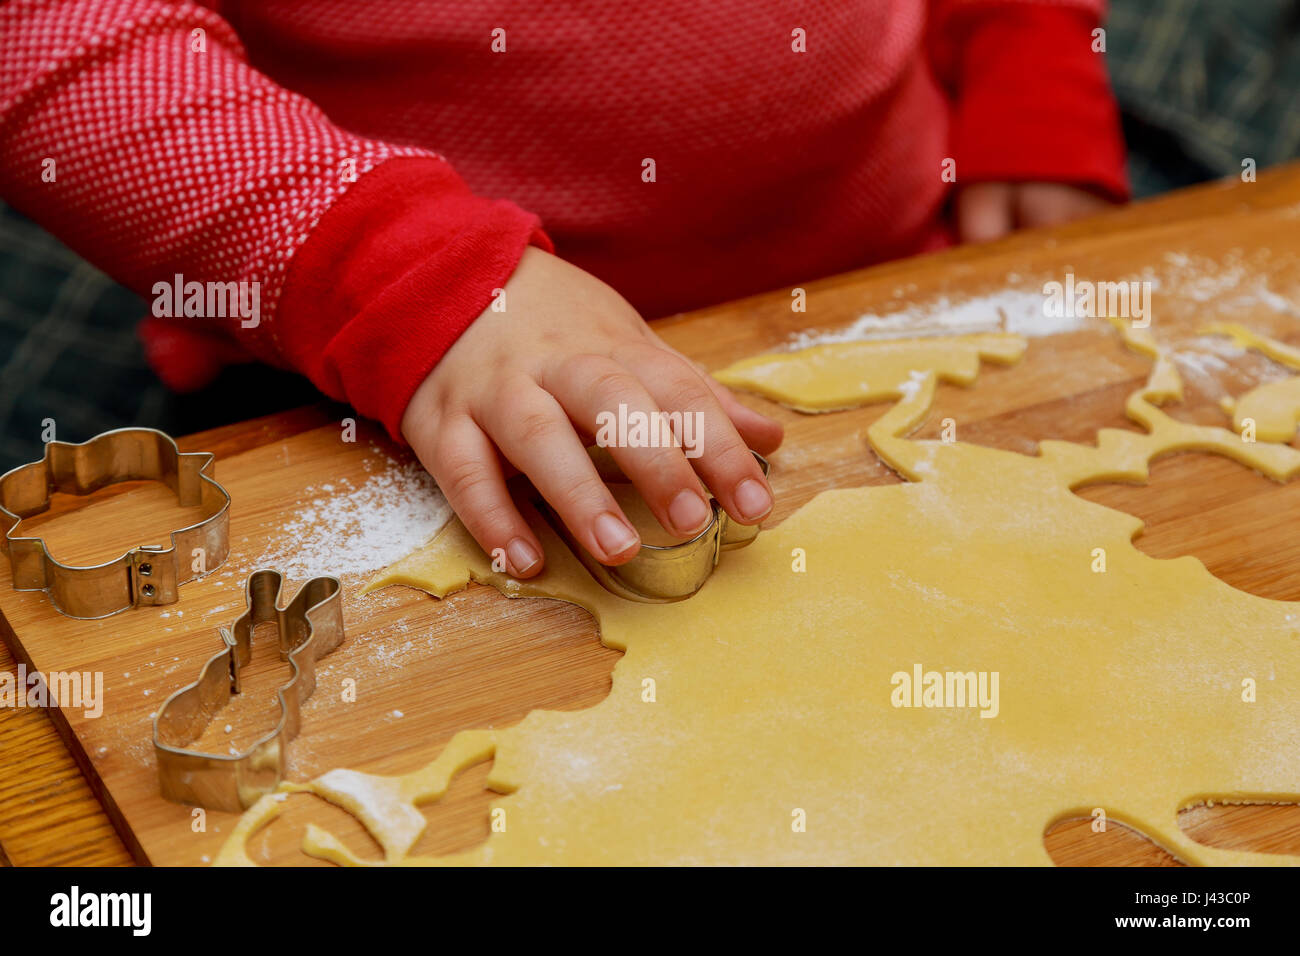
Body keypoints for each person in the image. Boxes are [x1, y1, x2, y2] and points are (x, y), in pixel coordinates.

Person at [0, 1, 1128, 577]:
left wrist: (1023, 46)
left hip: (896, 274)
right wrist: (405, 276)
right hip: (402, 375)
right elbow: (50, 30)